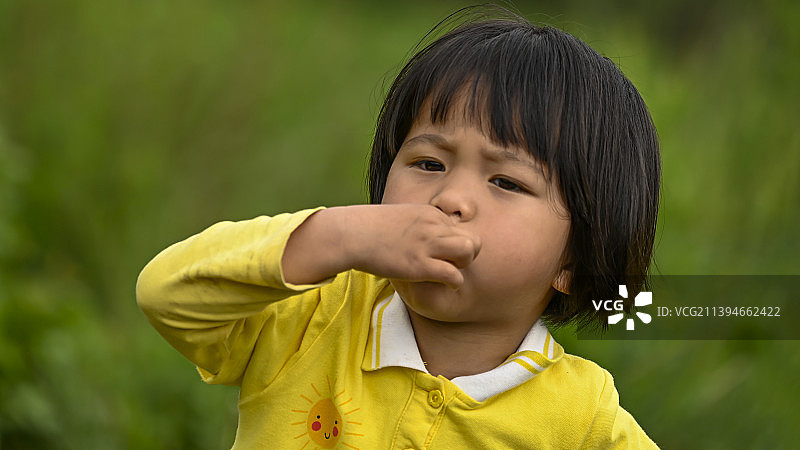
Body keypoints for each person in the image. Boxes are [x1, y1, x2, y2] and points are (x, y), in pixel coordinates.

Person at [137, 6, 660, 448]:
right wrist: (335, 238)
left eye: (505, 182)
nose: (450, 198)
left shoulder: (581, 417)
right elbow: (167, 295)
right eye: (429, 163)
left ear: (573, 263)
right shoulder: (311, 317)